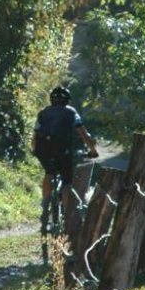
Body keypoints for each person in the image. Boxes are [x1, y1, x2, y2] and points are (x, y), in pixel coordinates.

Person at [32, 86, 97, 222]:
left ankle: (45, 207)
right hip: (62, 150)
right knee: (67, 182)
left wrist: (35, 150)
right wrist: (93, 151)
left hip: (43, 150)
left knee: (49, 173)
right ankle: (67, 216)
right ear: (67, 100)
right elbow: (84, 134)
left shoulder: (43, 113)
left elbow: (35, 138)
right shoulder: (71, 112)